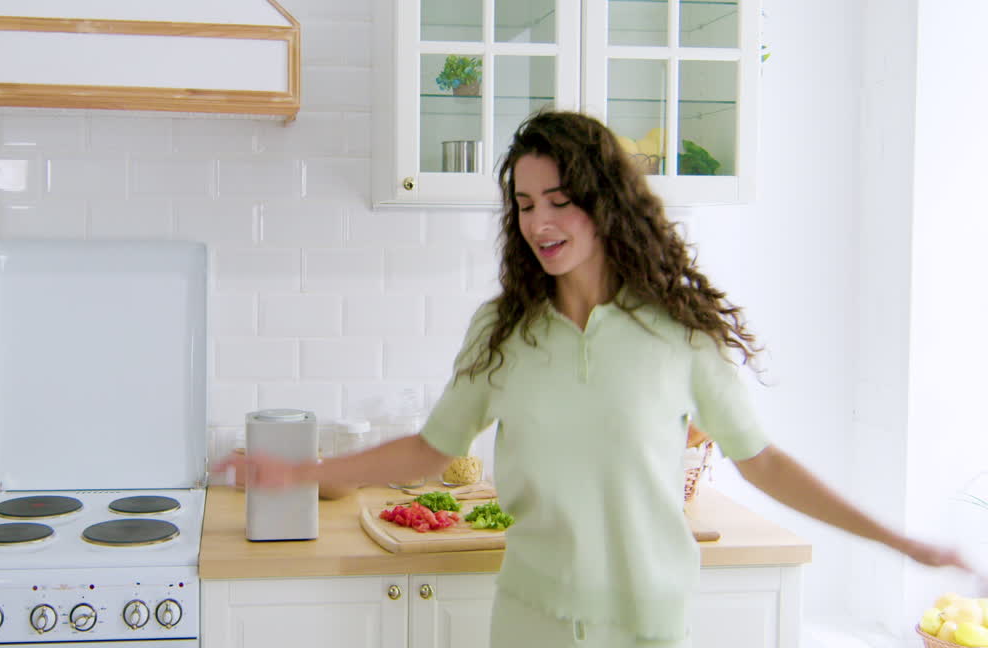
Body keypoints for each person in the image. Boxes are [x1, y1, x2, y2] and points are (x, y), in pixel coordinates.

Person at [214, 110, 975, 647]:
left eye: (560, 200)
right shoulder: (503, 331)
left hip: (649, 624)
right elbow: (429, 448)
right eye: (523, 205)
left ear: (603, 203)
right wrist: (301, 472)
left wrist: (895, 539)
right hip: (533, 621)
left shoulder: (677, 330)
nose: (539, 222)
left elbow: (762, 460)